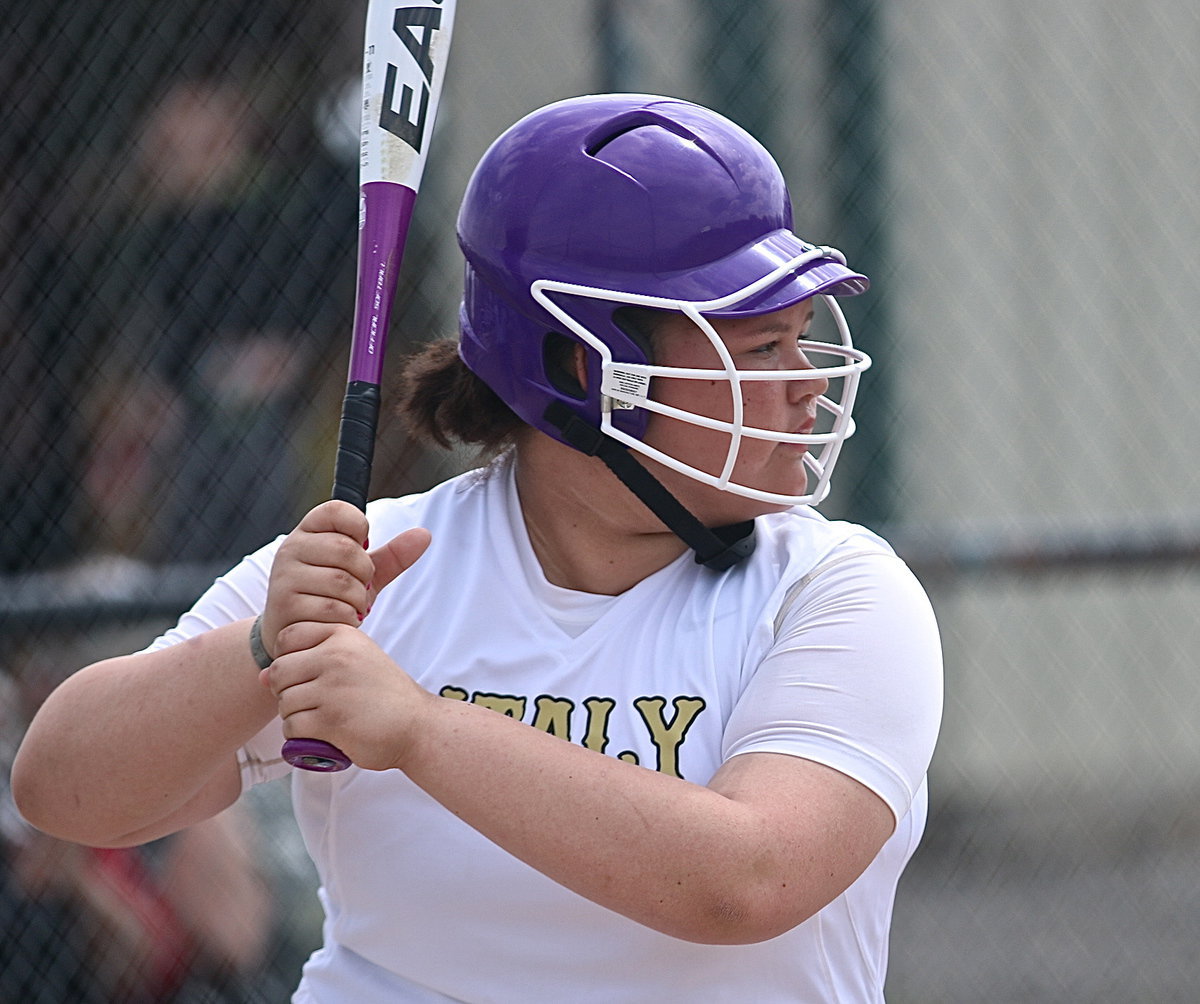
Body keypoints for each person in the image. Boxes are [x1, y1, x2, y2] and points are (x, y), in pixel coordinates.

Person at [12, 94, 943, 1002]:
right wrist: (262, 645)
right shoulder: (382, 566)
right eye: (757, 347)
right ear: (587, 367)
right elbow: (65, 793)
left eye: (798, 341)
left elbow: (748, 880)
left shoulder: (836, 594)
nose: (801, 388)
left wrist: (417, 729)